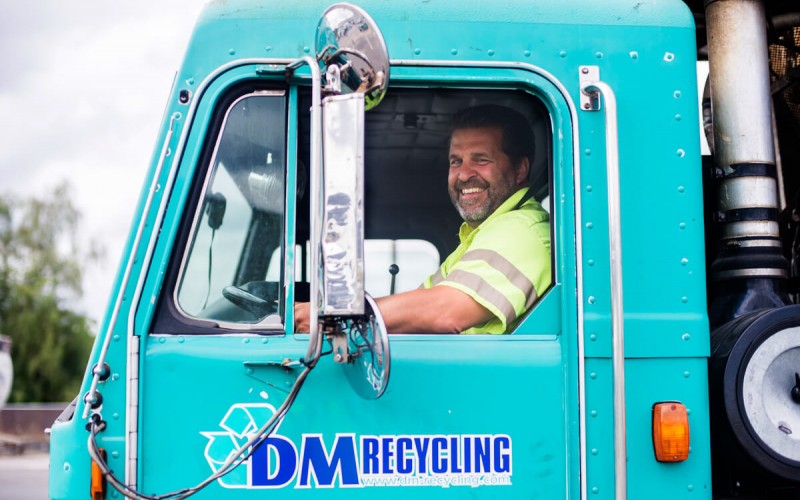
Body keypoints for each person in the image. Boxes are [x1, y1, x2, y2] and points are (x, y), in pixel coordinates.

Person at [295, 104, 551, 334]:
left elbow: (446, 312)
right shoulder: (480, 237)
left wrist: (333, 318)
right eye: (456, 161)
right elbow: (422, 306)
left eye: (481, 160)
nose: (463, 175)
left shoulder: (523, 230)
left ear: (520, 170)